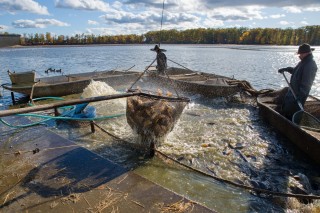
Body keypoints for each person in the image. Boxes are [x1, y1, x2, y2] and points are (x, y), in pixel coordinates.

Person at [278, 43, 318, 119]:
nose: (299, 55)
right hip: (292, 93)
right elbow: (296, 71)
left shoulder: (310, 65)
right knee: (286, 111)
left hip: (297, 96)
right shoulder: (303, 62)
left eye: (301, 54)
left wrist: (300, 96)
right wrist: (287, 69)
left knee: (292, 114)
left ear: (307, 53)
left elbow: (307, 83)